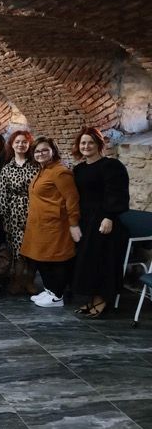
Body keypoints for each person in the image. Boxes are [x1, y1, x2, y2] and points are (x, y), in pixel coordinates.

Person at [71, 128, 130, 318]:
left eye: (90, 143)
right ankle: (92, 299)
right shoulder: (79, 169)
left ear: (99, 145)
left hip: (104, 219)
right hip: (85, 219)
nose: (86, 146)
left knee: (102, 260)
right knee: (88, 261)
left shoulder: (111, 166)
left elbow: (117, 192)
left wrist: (109, 217)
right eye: (83, 143)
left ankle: (102, 301)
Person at [22, 136, 81, 308]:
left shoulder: (60, 171)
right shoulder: (43, 170)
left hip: (55, 225)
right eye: (37, 151)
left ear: (53, 151)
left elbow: (72, 199)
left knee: (56, 260)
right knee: (41, 259)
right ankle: (49, 290)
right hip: (39, 224)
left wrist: (74, 223)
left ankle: (57, 296)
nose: (40, 153)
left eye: (44, 150)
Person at [0, 130, 40, 294]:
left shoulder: (36, 165)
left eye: (24, 142)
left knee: (34, 250)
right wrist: (5, 220)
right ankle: (17, 280)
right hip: (14, 213)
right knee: (18, 250)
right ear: (12, 144)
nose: (21, 144)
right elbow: (3, 195)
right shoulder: (7, 169)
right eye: (17, 142)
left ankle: (29, 281)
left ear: (29, 144)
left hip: (35, 211)